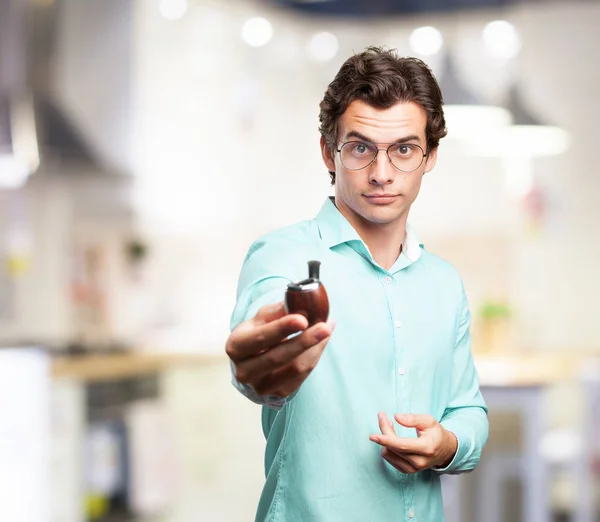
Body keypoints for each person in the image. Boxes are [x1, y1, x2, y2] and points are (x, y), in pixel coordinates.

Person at [226, 46, 488, 522]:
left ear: (429, 156)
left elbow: (469, 412)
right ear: (330, 151)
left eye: (404, 149)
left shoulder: (444, 283)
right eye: (361, 147)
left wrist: (446, 444)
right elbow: (260, 346)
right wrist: (261, 370)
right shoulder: (285, 256)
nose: (382, 173)